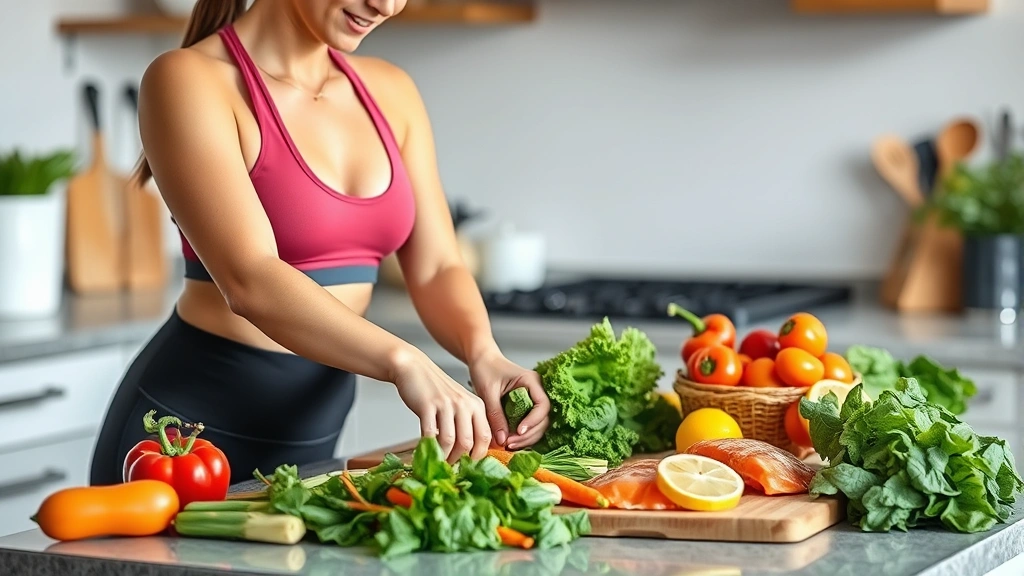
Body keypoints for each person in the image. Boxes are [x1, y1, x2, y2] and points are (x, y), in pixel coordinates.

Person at [89, 0, 550, 486]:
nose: (387, 5)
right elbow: (251, 279)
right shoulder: (188, 79)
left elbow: (436, 266)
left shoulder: (392, 91)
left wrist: (483, 354)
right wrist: (404, 359)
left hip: (311, 439)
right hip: (178, 439)